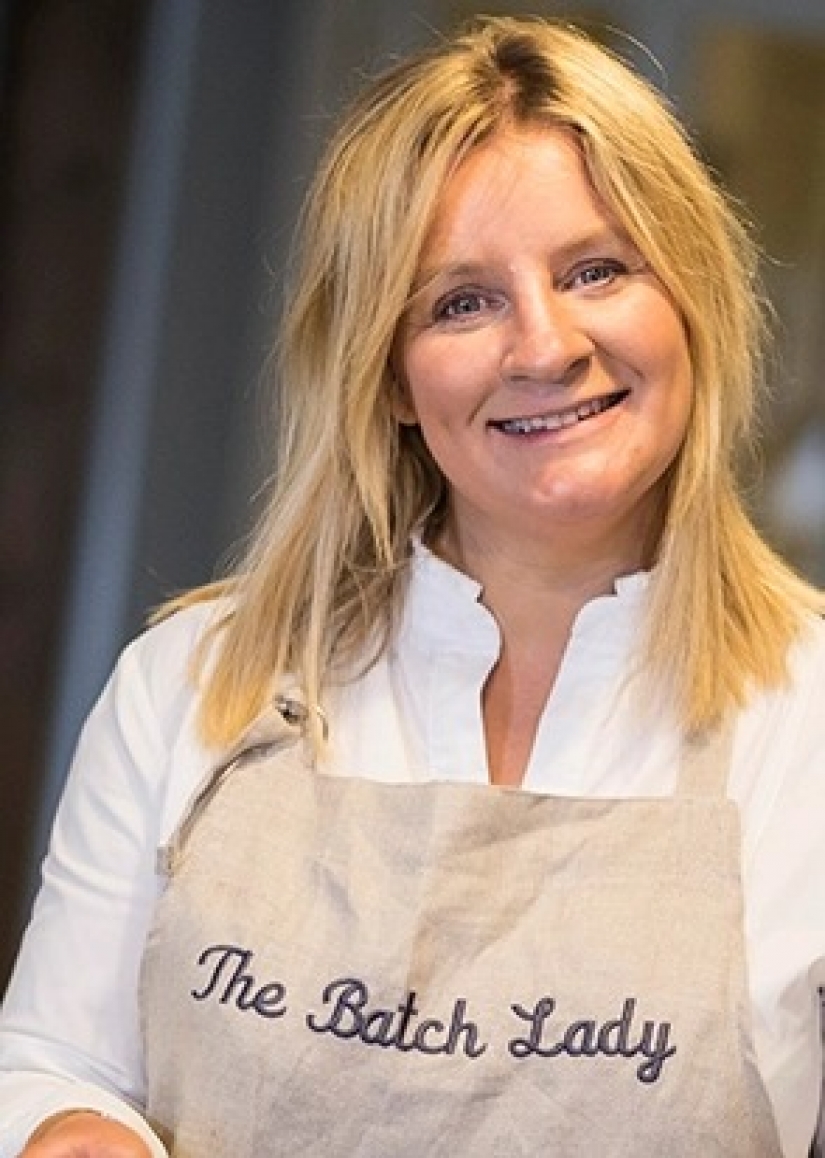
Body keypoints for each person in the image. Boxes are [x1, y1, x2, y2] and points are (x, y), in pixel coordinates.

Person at [1, 13, 824, 1157]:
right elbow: (55, 1065)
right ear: (387, 376)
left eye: (596, 270)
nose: (545, 347)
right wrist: (72, 1130)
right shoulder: (191, 684)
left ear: (691, 302)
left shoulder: (809, 716)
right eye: (461, 301)